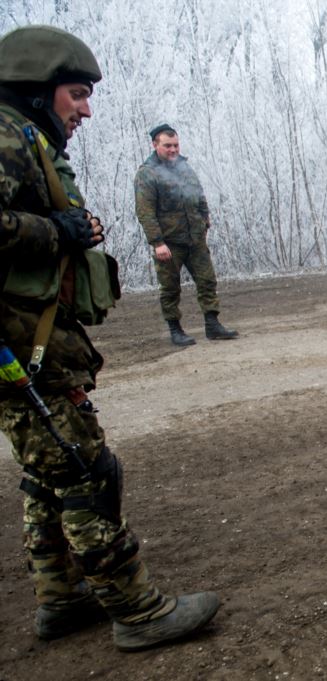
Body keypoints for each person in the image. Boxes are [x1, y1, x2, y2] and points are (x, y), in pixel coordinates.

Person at [0, 25, 219, 651]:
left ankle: (60, 597)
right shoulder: (6, 136)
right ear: (37, 89)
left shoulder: (25, 138)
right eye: (76, 93)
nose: (86, 108)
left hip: (30, 340)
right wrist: (57, 232)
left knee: (48, 470)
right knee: (86, 468)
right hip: (21, 344)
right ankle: (136, 610)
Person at [134, 124, 238, 346]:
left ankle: (212, 324)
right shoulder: (147, 174)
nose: (173, 150)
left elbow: (198, 195)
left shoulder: (184, 168)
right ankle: (175, 329)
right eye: (167, 146)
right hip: (170, 242)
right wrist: (157, 242)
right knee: (170, 287)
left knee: (207, 280)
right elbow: (145, 211)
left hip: (194, 238)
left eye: (176, 145)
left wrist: (205, 219)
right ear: (155, 145)